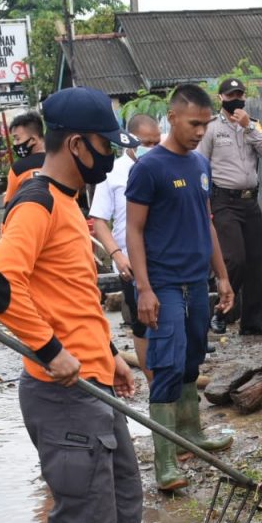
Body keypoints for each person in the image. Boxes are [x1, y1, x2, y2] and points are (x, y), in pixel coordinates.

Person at [0, 86, 167, 523]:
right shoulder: (35, 203)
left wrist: (108, 353)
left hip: (93, 379)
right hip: (61, 392)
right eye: (106, 144)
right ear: (78, 144)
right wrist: (49, 348)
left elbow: (72, 295)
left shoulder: (69, 202)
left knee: (122, 502)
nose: (112, 155)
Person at [126, 83, 235, 492]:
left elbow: (207, 223)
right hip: (163, 284)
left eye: (205, 125)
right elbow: (134, 230)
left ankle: (192, 432)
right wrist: (144, 288)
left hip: (196, 282)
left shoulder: (199, 166)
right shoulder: (149, 168)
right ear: (172, 118)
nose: (200, 132)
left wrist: (222, 276)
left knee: (192, 358)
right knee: (167, 364)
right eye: (194, 123)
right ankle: (166, 461)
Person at [198, 78, 262, 336]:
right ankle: (221, 312)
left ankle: (253, 323)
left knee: (254, 261)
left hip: (249, 201)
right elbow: (200, 163)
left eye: (239, 94)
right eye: (230, 96)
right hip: (223, 201)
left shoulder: (252, 125)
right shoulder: (211, 128)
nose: (236, 99)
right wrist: (204, 200)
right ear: (221, 98)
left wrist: (248, 128)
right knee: (235, 258)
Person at [91, 113, 162, 385]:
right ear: (130, 142)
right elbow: (99, 220)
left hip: (164, 257)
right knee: (142, 325)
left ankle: (178, 381)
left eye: (156, 142)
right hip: (130, 262)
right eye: (146, 142)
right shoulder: (112, 172)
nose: (152, 148)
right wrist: (116, 255)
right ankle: (154, 382)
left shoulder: (165, 164)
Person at [4, 111, 46, 202]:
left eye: (17, 138)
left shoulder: (18, 169)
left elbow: (9, 203)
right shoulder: (59, 162)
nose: (15, 144)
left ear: (33, 139)